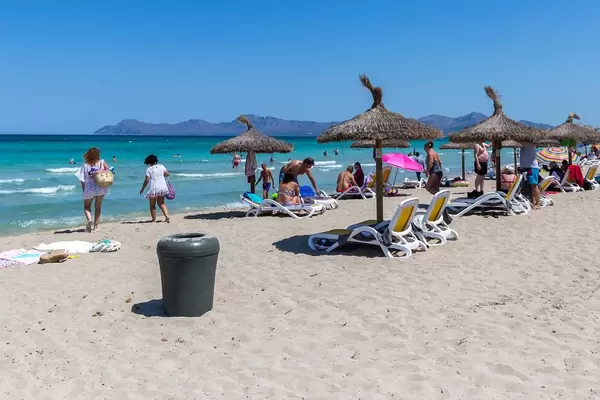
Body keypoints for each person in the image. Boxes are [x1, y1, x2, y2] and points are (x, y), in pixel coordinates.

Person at [75, 147, 110, 232]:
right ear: (98, 154)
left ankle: (89, 219)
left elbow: (81, 179)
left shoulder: (85, 164)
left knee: (87, 207)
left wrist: (84, 189)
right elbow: (109, 171)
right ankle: (96, 226)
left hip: (89, 188)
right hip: (101, 187)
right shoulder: (102, 162)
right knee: (98, 207)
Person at [139, 154, 170, 223]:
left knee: (152, 205)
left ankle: (154, 220)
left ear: (148, 162)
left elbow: (146, 180)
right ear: (155, 160)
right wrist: (161, 174)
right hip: (163, 187)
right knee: (161, 203)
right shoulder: (161, 166)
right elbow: (167, 174)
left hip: (154, 188)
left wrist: (142, 189)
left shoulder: (149, 169)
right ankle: (167, 216)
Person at [519, 142, 541, 209]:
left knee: (534, 186)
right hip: (525, 167)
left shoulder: (531, 142)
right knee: (528, 186)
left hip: (531, 167)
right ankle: (533, 202)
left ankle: (538, 204)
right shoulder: (523, 143)